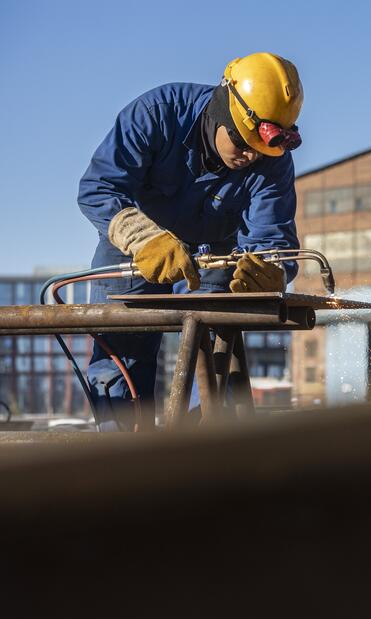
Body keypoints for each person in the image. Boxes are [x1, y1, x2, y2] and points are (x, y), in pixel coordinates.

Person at [77, 52, 304, 431]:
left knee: (214, 359)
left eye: (259, 149)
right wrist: (142, 238)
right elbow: (99, 187)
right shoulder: (157, 113)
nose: (250, 156)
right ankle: (122, 462)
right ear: (220, 109)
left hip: (213, 256)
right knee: (120, 363)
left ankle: (202, 459)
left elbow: (273, 239)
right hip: (133, 249)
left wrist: (271, 272)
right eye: (241, 142)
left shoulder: (271, 160)